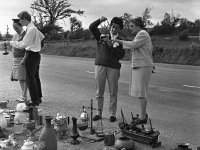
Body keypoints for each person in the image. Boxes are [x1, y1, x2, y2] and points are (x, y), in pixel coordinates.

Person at [112, 17, 154, 125]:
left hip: (142, 65)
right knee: (140, 91)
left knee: (141, 92)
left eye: (131, 26)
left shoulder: (142, 33)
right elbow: (135, 47)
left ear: (138, 24)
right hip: (142, 65)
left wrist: (117, 40)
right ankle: (142, 114)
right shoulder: (141, 35)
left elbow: (133, 45)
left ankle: (143, 117)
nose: (130, 28)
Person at [3, 11, 45, 106]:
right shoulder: (34, 28)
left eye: (21, 20)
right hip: (36, 54)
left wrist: (10, 42)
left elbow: (23, 44)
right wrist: (36, 44)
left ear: (25, 19)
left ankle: (34, 100)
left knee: (30, 78)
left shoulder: (30, 30)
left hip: (31, 54)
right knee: (36, 77)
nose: (20, 22)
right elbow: (42, 36)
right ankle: (38, 98)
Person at [89, 16, 125, 122]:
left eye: (117, 28)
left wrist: (111, 46)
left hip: (113, 68)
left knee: (113, 92)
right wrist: (100, 20)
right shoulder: (102, 36)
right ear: (110, 26)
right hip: (100, 66)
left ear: (120, 29)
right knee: (99, 91)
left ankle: (112, 114)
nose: (114, 29)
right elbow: (92, 27)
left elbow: (120, 56)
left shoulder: (120, 41)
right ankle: (98, 112)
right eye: (113, 26)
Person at [11, 19, 28, 102]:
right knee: (19, 78)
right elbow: (13, 44)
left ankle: (24, 96)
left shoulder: (25, 35)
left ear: (21, 26)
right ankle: (22, 95)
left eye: (16, 28)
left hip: (22, 58)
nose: (15, 30)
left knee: (23, 78)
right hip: (15, 58)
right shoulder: (15, 35)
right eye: (14, 28)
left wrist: (25, 59)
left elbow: (26, 47)